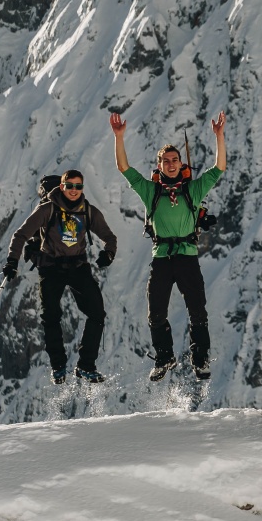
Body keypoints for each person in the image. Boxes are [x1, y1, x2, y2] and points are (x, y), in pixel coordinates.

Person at [109, 110, 228, 381]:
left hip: (186, 257)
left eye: (175, 160)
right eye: (166, 161)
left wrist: (219, 137)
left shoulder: (193, 190)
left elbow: (219, 168)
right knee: (156, 312)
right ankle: (164, 357)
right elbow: (124, 169)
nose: (172, 164)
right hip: (161, 258)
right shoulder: (151, 191)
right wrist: (119, 138)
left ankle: (200, 360)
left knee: (198, 311)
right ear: (159, 165)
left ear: (180, 163)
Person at [1, 170, 120, 384]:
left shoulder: (88, 211)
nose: (74, 190)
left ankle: (86, 365)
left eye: (78, 186)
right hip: (51, 267)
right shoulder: (48, 209)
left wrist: (108, 253)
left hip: (78, 267)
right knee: (51, 316)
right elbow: (21, 234)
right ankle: (58, 366)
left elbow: (109, 236)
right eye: (70, 186)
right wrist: (12, 261)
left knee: (97, 313)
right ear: (62, 186)